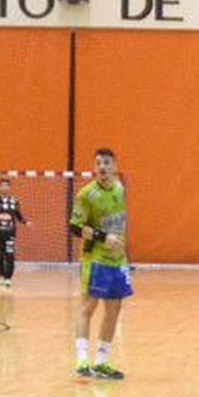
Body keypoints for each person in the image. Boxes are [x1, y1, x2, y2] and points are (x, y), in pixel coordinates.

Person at [67, 148, 130, 380]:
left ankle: (102, 361)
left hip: (117, 260)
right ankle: (82, 360)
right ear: (94, 168)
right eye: (98, 164)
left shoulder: (120, 188)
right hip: (95, 260)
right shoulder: (86, 195)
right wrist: (104, 238)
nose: (102, 167)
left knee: (114, 308)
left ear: (115, 166)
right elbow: (74, 227)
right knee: (88, 307)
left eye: (107, 163)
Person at [0, 176, 29, 289]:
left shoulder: (14, 201)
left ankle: (8, 278)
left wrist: (25, 222)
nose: (4, 187)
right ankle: (1, 276)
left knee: (9, 254)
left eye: (7, 185)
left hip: (10, 232)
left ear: (9, 187)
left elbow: (19, 215)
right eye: (2, 185)